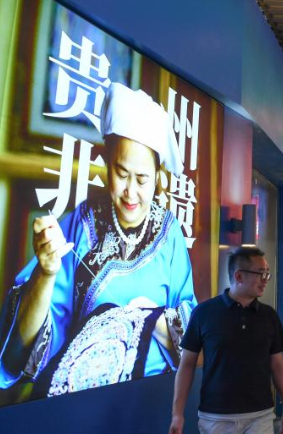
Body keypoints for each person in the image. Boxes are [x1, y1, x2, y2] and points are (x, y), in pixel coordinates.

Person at [0, 82, 196, 402]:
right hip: (83, 404)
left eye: (142, 179)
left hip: (149, 402)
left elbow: (194, 333)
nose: (131, 192)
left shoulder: (169, 234)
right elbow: (25, 347)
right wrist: (46, 273)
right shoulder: (79, 225)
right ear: (106, 163)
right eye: (121, 173)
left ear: (158, 177)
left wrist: (152, 322)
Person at [169, 247, 283, 434]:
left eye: (267, 273)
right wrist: (177, 414)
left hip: (259, 416)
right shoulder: (204, 313)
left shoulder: (269, 316)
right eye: (261, 273)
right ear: (239, 276)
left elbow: (277, 366)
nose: (265, 279)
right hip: (214, 418)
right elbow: (186, 365)